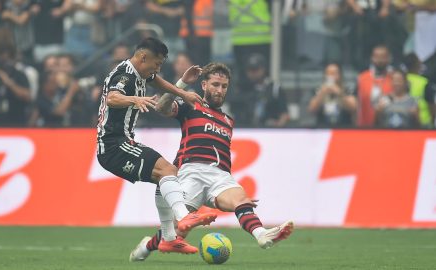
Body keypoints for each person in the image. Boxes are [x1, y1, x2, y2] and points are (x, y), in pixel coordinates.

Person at [129, 62, 294, 262]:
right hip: (191, 172)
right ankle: (147, 246)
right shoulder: (191, 104)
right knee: (174, 233)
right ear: (204, 85)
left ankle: (261, 234)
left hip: (221, 176)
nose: (220, 90)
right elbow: (162, 107)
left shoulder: (228, 120)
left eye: (224, 86)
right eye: (215, 84)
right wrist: (181, 84)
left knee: (241, 200)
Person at [96, 37, 216, 255]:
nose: (158, 68)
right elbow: (112, 98)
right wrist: (133, 99)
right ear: (143, 57)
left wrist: (183, 91)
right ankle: (183, 217)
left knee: (167, 175)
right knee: (168, 171)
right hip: (113, 145)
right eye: (157, 63)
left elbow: (159, 81)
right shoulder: (124, 75)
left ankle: (169, 239)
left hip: (123, 143)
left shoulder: (142, 72)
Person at [308, 63, 357, 127]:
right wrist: (322, 94)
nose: (331, 76)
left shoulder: (347, 90)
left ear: (340, 75)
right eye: (328, 74)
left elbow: (353, 108)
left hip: (344, 128)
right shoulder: (318, 90)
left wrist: (340, 94)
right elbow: (311, 109)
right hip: (323, 129)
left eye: (333, 74)